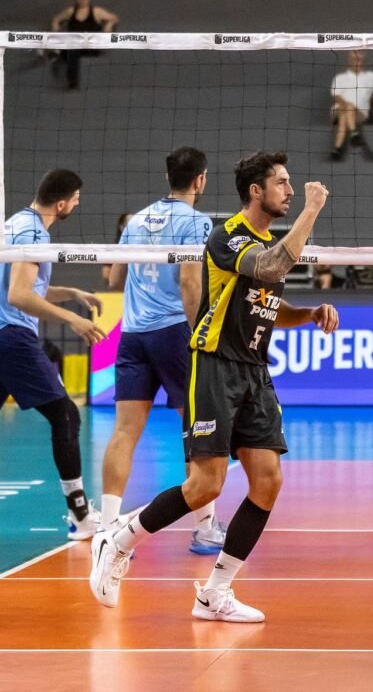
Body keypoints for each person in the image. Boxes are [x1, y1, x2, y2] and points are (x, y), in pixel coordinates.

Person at [89, 152, 339, 621]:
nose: (289, 189)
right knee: (206, 484)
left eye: (291, 184)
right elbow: (269, 269)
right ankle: (117, 541)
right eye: (282, 183)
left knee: (268, 481)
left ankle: (215, 593)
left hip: (254, 370)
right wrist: (311, 209)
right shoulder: (228, 237)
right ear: (255, 192)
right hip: (215, 364)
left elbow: (266, 300)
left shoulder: (265, 241)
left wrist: (306, 315)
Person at [99, 147, 229, 553]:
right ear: (200, 179)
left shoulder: (137, 219)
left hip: (133, 334)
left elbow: (115, 277)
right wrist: (199, 332)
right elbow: (191, 283)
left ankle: (106, 528)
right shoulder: (196, 221)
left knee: (124, 432)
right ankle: (205, 528)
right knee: (196, 426)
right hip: (174, 332)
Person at [1, 170, 106, 538]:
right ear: (61, 203)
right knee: (66, 417)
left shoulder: (15, 223)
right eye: (75, 199)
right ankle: (80, 515)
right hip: (11, 337)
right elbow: (18, 295)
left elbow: (30, 287)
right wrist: (72, 320)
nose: (76, 204)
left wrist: (73, 293)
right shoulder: (33, 232)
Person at [49, 0, 119, 90]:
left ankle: (71, 79)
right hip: (72, 47)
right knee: (71, 49)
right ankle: (71, 80)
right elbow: (56, 19)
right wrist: (56, 31)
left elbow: (114, 18)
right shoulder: (70, 11)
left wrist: (109, 25)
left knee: (72, 49)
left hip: (91, 48)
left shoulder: (96, 12)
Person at [330, 49, 373, 161]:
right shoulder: (340, 78)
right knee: (347, 108)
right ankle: (354, 133)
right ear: (349, 60)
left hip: (360, 113)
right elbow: (336, 96)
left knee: (344, 116)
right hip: (338, 109)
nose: (357, 61)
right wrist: (347, 105)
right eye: (355, 59)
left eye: (360, 59)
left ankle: (337, 148)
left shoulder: (370, 76)